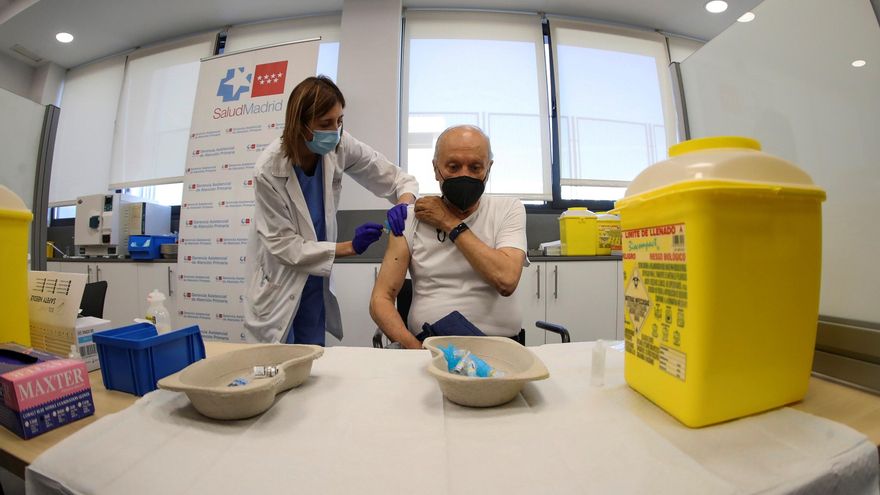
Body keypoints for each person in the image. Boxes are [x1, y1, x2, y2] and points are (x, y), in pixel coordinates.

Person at [243, 76, 418, 345]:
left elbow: (396, 178)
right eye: (325, 124)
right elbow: (284, 246)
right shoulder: (269, 169)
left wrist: (404, 203)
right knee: (278, 361)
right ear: (299, 124)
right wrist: (349, 247)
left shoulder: (340, 144)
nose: (335, 131)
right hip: (280, 279)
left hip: (315, 278)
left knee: (313, 354)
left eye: (339, 121)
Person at [370, 125, 527, 349]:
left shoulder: (508, 209)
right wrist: (415, 350)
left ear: (489, 168)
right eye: (453, 167)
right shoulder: (412, 218)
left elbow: (506, 280)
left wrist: (449, 222)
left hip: (502, 347)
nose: (464, 175)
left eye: (475, 167)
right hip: (430, 347)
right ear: (436, 169)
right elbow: (380, 299)